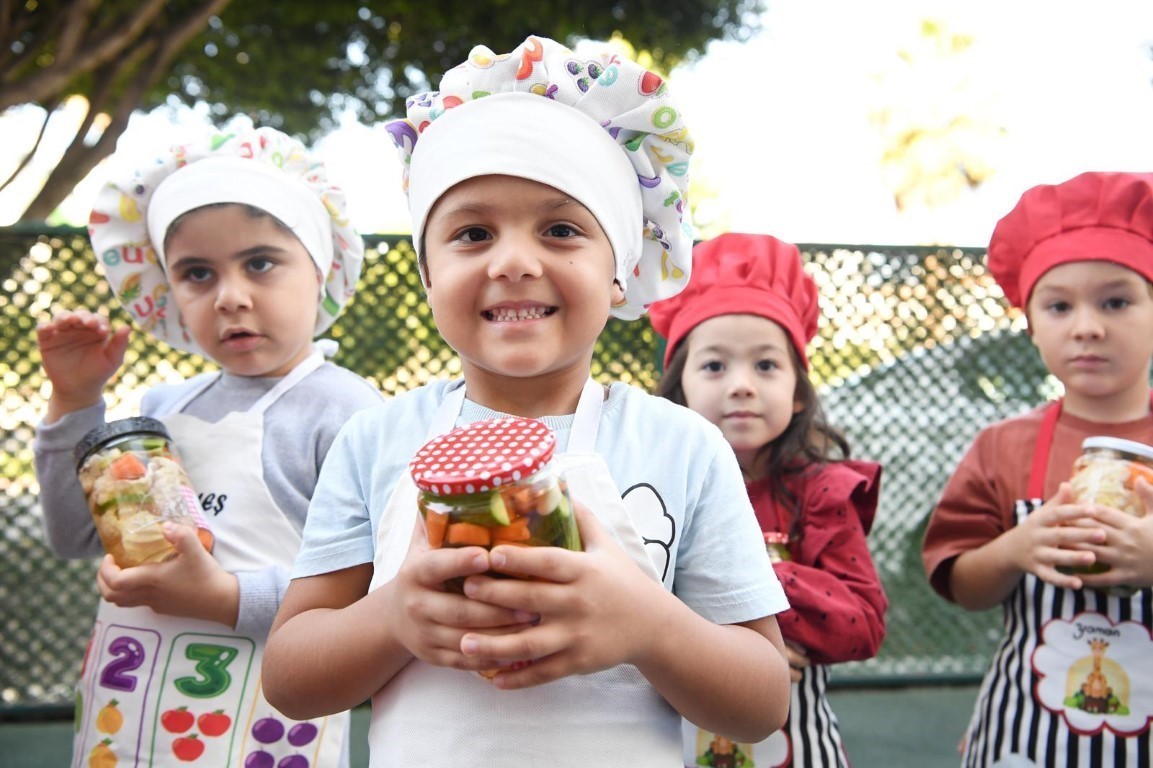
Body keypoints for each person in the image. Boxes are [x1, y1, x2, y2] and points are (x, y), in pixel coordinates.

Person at [261, 34, 792, 767]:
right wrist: (392, 617)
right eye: (472, 233)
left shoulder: (682, 445)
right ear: (427, 276)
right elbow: (289, 677)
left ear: (621, 272)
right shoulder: (373, 440)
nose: (513, 261)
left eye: (561, 229)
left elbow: (762, 703)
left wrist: (650, 627)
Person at [33, 124, 382, 768]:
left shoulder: (348, 413)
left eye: (260, 262)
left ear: (323, 267)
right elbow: (74, 536)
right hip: (124, 717)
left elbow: (370, 592)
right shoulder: (164, 407)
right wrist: (74, 402)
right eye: (196, 273)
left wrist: (221, 598)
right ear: (168, 292)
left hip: (255, 731)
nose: (231, 297)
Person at [921, 171, 1153, 767]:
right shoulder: (1004, 447)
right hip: (1025, 741)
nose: (1086, 326)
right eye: (1058, 306)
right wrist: (1013, 549)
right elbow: (961, 583)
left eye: (1116, 301)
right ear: (1031, 324)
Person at [649, 232, 888, 768]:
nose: (741, 385)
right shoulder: (654, 490)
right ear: (678, 388)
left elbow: (863, 623)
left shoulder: (822, 492)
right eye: (714, 366)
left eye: (765, 366)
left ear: (798, 390)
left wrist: (733, 582)